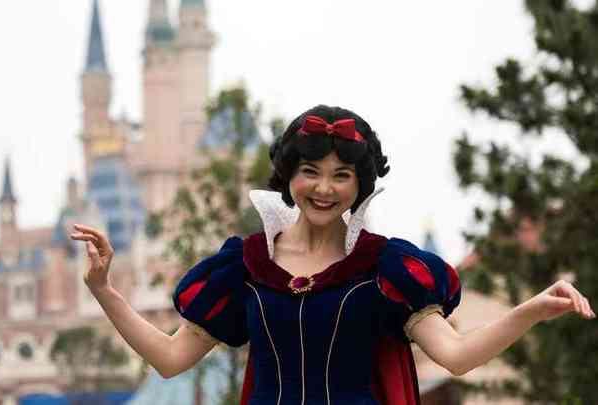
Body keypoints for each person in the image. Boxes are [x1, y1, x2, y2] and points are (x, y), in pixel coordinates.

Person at [70, 105, 595, 405]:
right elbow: (168, 360)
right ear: (289, 177)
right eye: (311, 172)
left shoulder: (385, 268)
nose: (324, 189)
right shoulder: (247, 265)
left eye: (341, 175)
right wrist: (103, 290)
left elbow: (456, 357)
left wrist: (532, 308)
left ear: (360, 185)